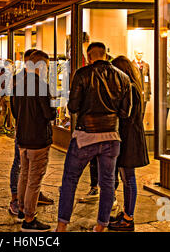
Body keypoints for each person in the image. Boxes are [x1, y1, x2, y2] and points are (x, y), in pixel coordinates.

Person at [56, 42, 132, 232]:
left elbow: (72, 107)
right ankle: (101, 226)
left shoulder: (82, 74)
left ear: (89, 57)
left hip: (85, 136)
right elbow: (125, 112)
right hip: (111, 136)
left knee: (70, 179)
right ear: (106, 55)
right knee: (107, 184)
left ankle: (62, 225)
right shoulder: (123, 77)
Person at [11, 50, 57, 232]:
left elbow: (15, 112)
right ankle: (29, 219)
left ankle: (22, 209)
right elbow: (49, 114)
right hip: (38, 139)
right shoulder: (42, 86)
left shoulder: (17, 85)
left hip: (22, 138)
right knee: (34, 180)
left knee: (24, 175)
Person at [104, 56, 149, 231]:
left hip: (130, 139)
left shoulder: (129, 88)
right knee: (126, 177)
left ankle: (128, 218)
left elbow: (125, 115)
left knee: (128, 178)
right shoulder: (133, 87)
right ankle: (126, 213)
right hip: (130, 138)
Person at [0, 59, 15, 136]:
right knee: (12, 112)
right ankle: (13, 128)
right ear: (9, 64)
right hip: (8, 94)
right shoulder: (8, 73)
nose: (12, 66)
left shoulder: (0, 72)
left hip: (2, 95)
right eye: (11, 65)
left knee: (3, 112)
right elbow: (9, 84)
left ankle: (1, 127)